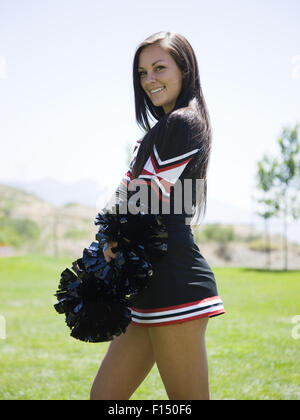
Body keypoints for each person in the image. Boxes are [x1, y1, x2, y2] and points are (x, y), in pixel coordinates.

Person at [90, 31, 225, 401]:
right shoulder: (158, 131)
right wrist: (107, 240)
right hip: (145, 281)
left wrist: (115, 234)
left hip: (176, 285)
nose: (150, 80)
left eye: (159, 68)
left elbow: (147, 195)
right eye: (142, 72)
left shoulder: (184, 122)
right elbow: (131, 195)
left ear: (184, 69)